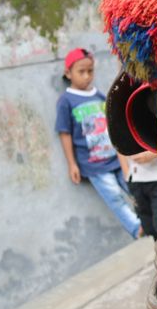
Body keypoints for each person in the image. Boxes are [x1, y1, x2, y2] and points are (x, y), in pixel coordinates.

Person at [55, 48, 142, 239]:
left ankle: (148, 220)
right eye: (81, 71)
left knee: (135, 189)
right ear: (68, 73)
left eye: (90, 71)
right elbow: (65, 133)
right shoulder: (66, 101)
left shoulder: (100, 96)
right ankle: (137, 228)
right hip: (94, 165)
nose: (87, 76)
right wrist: (72, 164)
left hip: (115, 158)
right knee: (115, 198)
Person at [126, 151, 157, 240]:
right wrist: (127, 176)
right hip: (135, 179)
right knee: (149, 227)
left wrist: (156, 152)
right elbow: (118, 144)